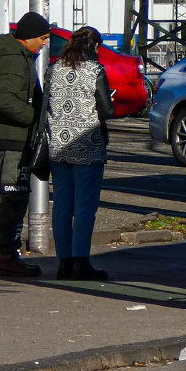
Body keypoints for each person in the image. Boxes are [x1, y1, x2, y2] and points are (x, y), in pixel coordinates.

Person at [46, 26, 113, 281]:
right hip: (88, 145)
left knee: (62, 203)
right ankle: (81, 262)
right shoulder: (95, 71)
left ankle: (63, 263)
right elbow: (106, 110)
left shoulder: (53, 70)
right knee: (85, 206)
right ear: (94, 46)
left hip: (59, 145)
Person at [0, 11, 50, 277]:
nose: (45, 43)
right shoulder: (15, 61)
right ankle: (6, 255)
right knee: (13, 198)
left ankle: (7, 254)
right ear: (27, 38)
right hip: (11, 140)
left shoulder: (17, 56)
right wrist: (32, 120)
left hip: (8, 138)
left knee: (12, 198)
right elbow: (3, 100)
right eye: (42, 37)